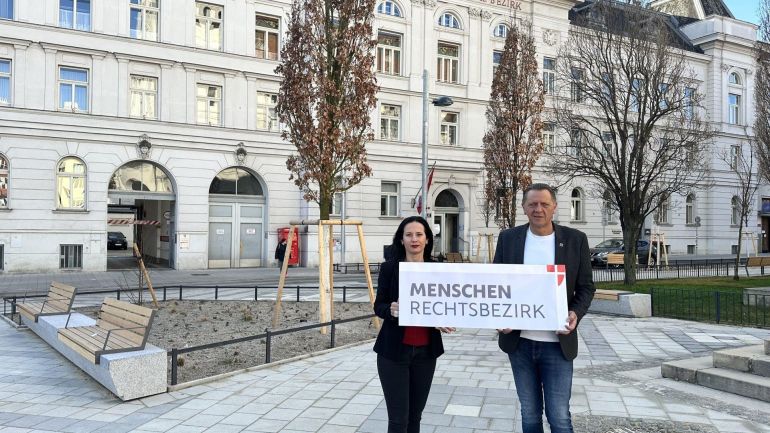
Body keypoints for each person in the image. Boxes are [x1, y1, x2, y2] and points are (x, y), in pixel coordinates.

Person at [493, 183, 595, 433]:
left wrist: (575, 313)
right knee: (529, 414)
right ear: (524, 208)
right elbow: (495, 283)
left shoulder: (575, 240)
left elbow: (586, 287)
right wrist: (499, 316)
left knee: (559, 416)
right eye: (532, 204)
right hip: (520, 342)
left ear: (554, 207)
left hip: (557, 345)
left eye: (544, 204)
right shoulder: (509, 238)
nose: (538, 209)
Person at [373, 216, 455, 433]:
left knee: (415, 417)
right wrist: (390, 310)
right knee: (398, 420)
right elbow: (378, 305)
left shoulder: (438, 269)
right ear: (401, 240)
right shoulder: (390, 268)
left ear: (427, 239)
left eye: (419, 234)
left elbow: (447, 303)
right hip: (393, 353)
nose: (414, 239)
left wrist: (445, 318)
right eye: (408, 235)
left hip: (426, 354)